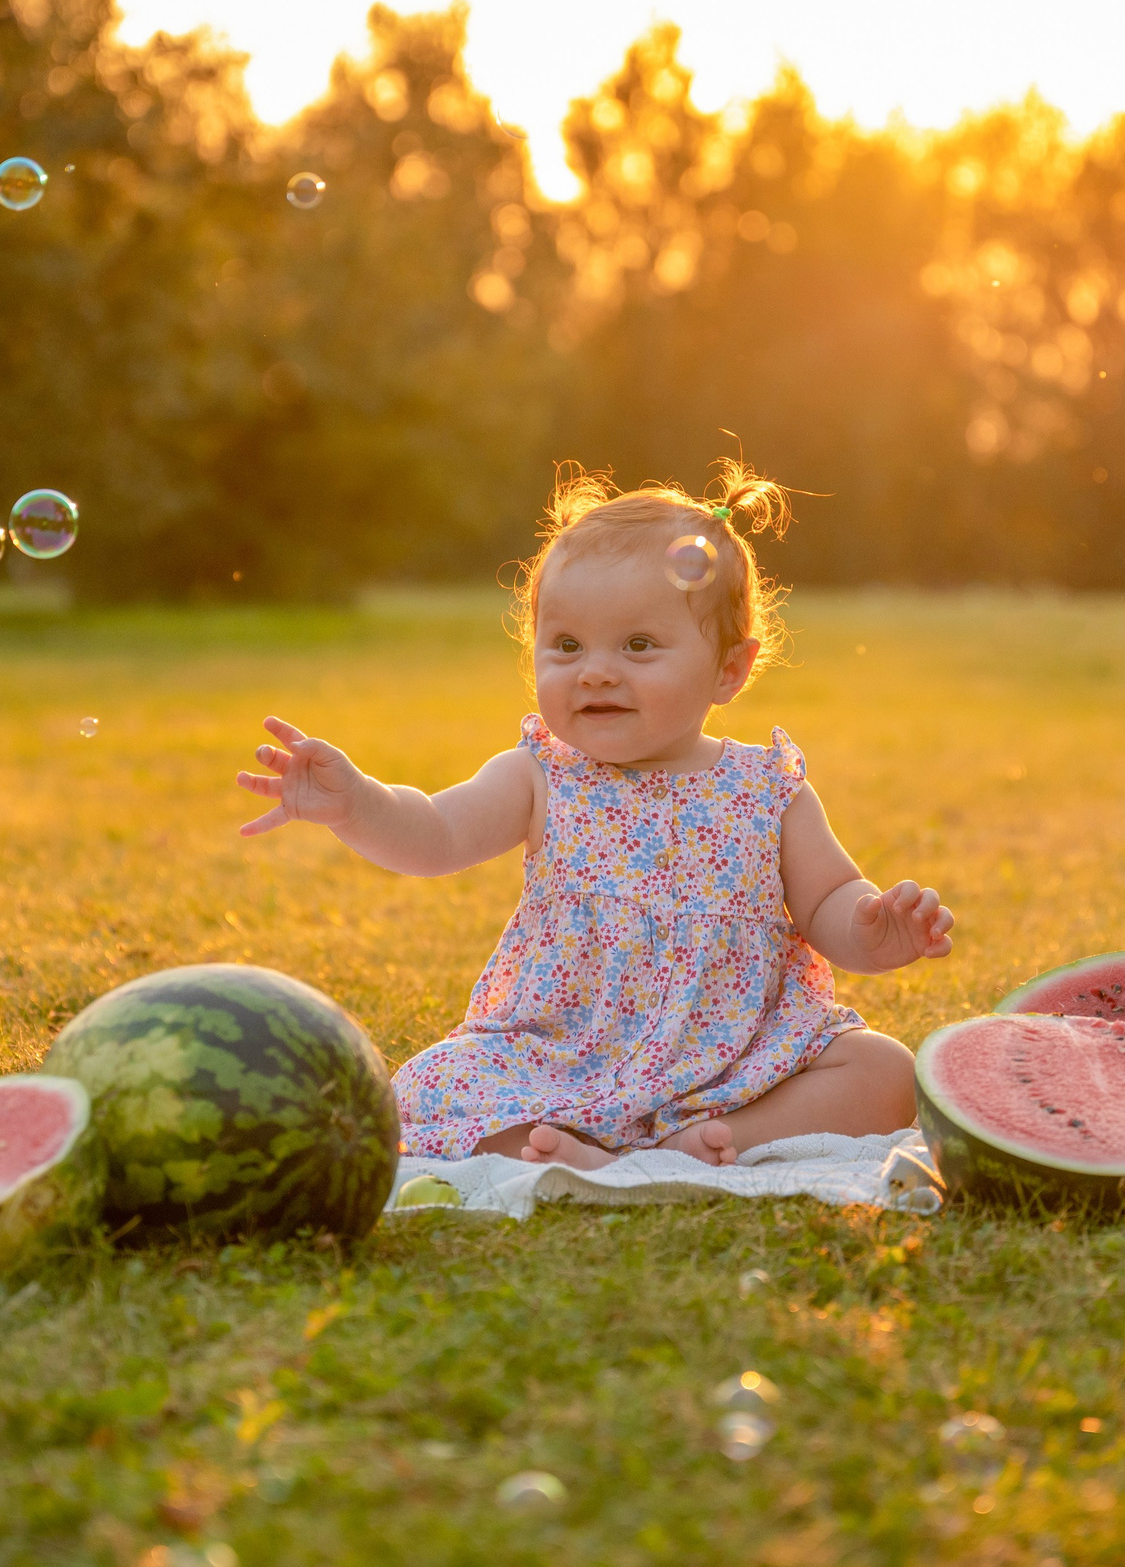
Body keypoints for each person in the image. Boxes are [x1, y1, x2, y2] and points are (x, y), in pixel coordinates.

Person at [235, 462, 954, 1169]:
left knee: (883, 1070)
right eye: (567, 646)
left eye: (638, 645)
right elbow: (433, 831)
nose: (596, 671)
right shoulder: (542, 775)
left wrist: (871, 926)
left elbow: (828, 898)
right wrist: (355, 802)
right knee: (427, 1085)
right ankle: (574, 1151)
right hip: (561, 1054)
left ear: (729, 669)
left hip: (736, 1061)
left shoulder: (766, 789)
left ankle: (714, 1139)